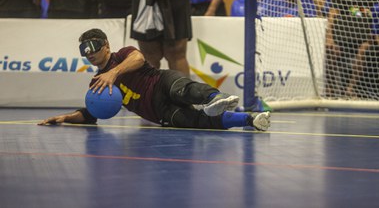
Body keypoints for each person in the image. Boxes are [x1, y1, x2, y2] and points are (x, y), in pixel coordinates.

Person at [38, 28, 271, 131]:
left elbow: (139, 59)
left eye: (93, 47)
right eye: (84, 50)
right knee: (198, 122)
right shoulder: (97, 83)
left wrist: (113, 72)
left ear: (106, 45)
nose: (89, 53)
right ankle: (251, 120)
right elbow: (91, 113)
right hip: (157, 112)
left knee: (184, 88)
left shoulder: (122, 54)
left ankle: (217, 98)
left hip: (161, 83)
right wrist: (65, 118)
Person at [324, 0, 378, 97]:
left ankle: (350, 89)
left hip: (364, 39)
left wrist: (352, 11)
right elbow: (333, 13)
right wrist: (329, 37)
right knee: (330, 50)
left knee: (363, 51)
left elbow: (374, 13)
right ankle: (330, 88)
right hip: (342, 37)